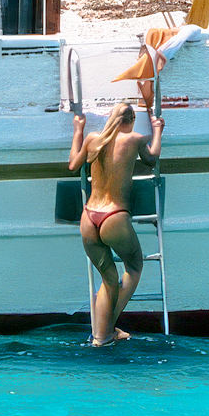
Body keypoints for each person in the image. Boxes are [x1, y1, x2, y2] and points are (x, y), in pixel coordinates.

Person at [67, 103, 162, 346]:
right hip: (114, 216)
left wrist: (78, 130)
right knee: (134, 266)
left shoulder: (91, 139)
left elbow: (73, 165)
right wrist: (158, 129)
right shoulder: (135, 139)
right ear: (130, 121)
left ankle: (101, 338)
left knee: (108, 279)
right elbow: (152, 159)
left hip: (89, 218)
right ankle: (108, 328)